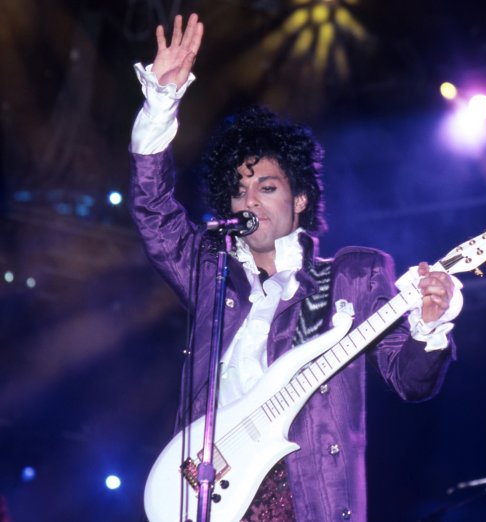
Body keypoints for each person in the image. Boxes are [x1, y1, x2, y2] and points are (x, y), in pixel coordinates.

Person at [129, 13, 463, 522]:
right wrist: (161, 102)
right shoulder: (209, 270)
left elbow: (409, 380)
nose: (250, 200)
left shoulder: (353, 276)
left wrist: (430, 325)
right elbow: (153, 209)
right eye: (239, 190)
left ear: (300, 198)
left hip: (301, 492)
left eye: (267, 187)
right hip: (206, 486)